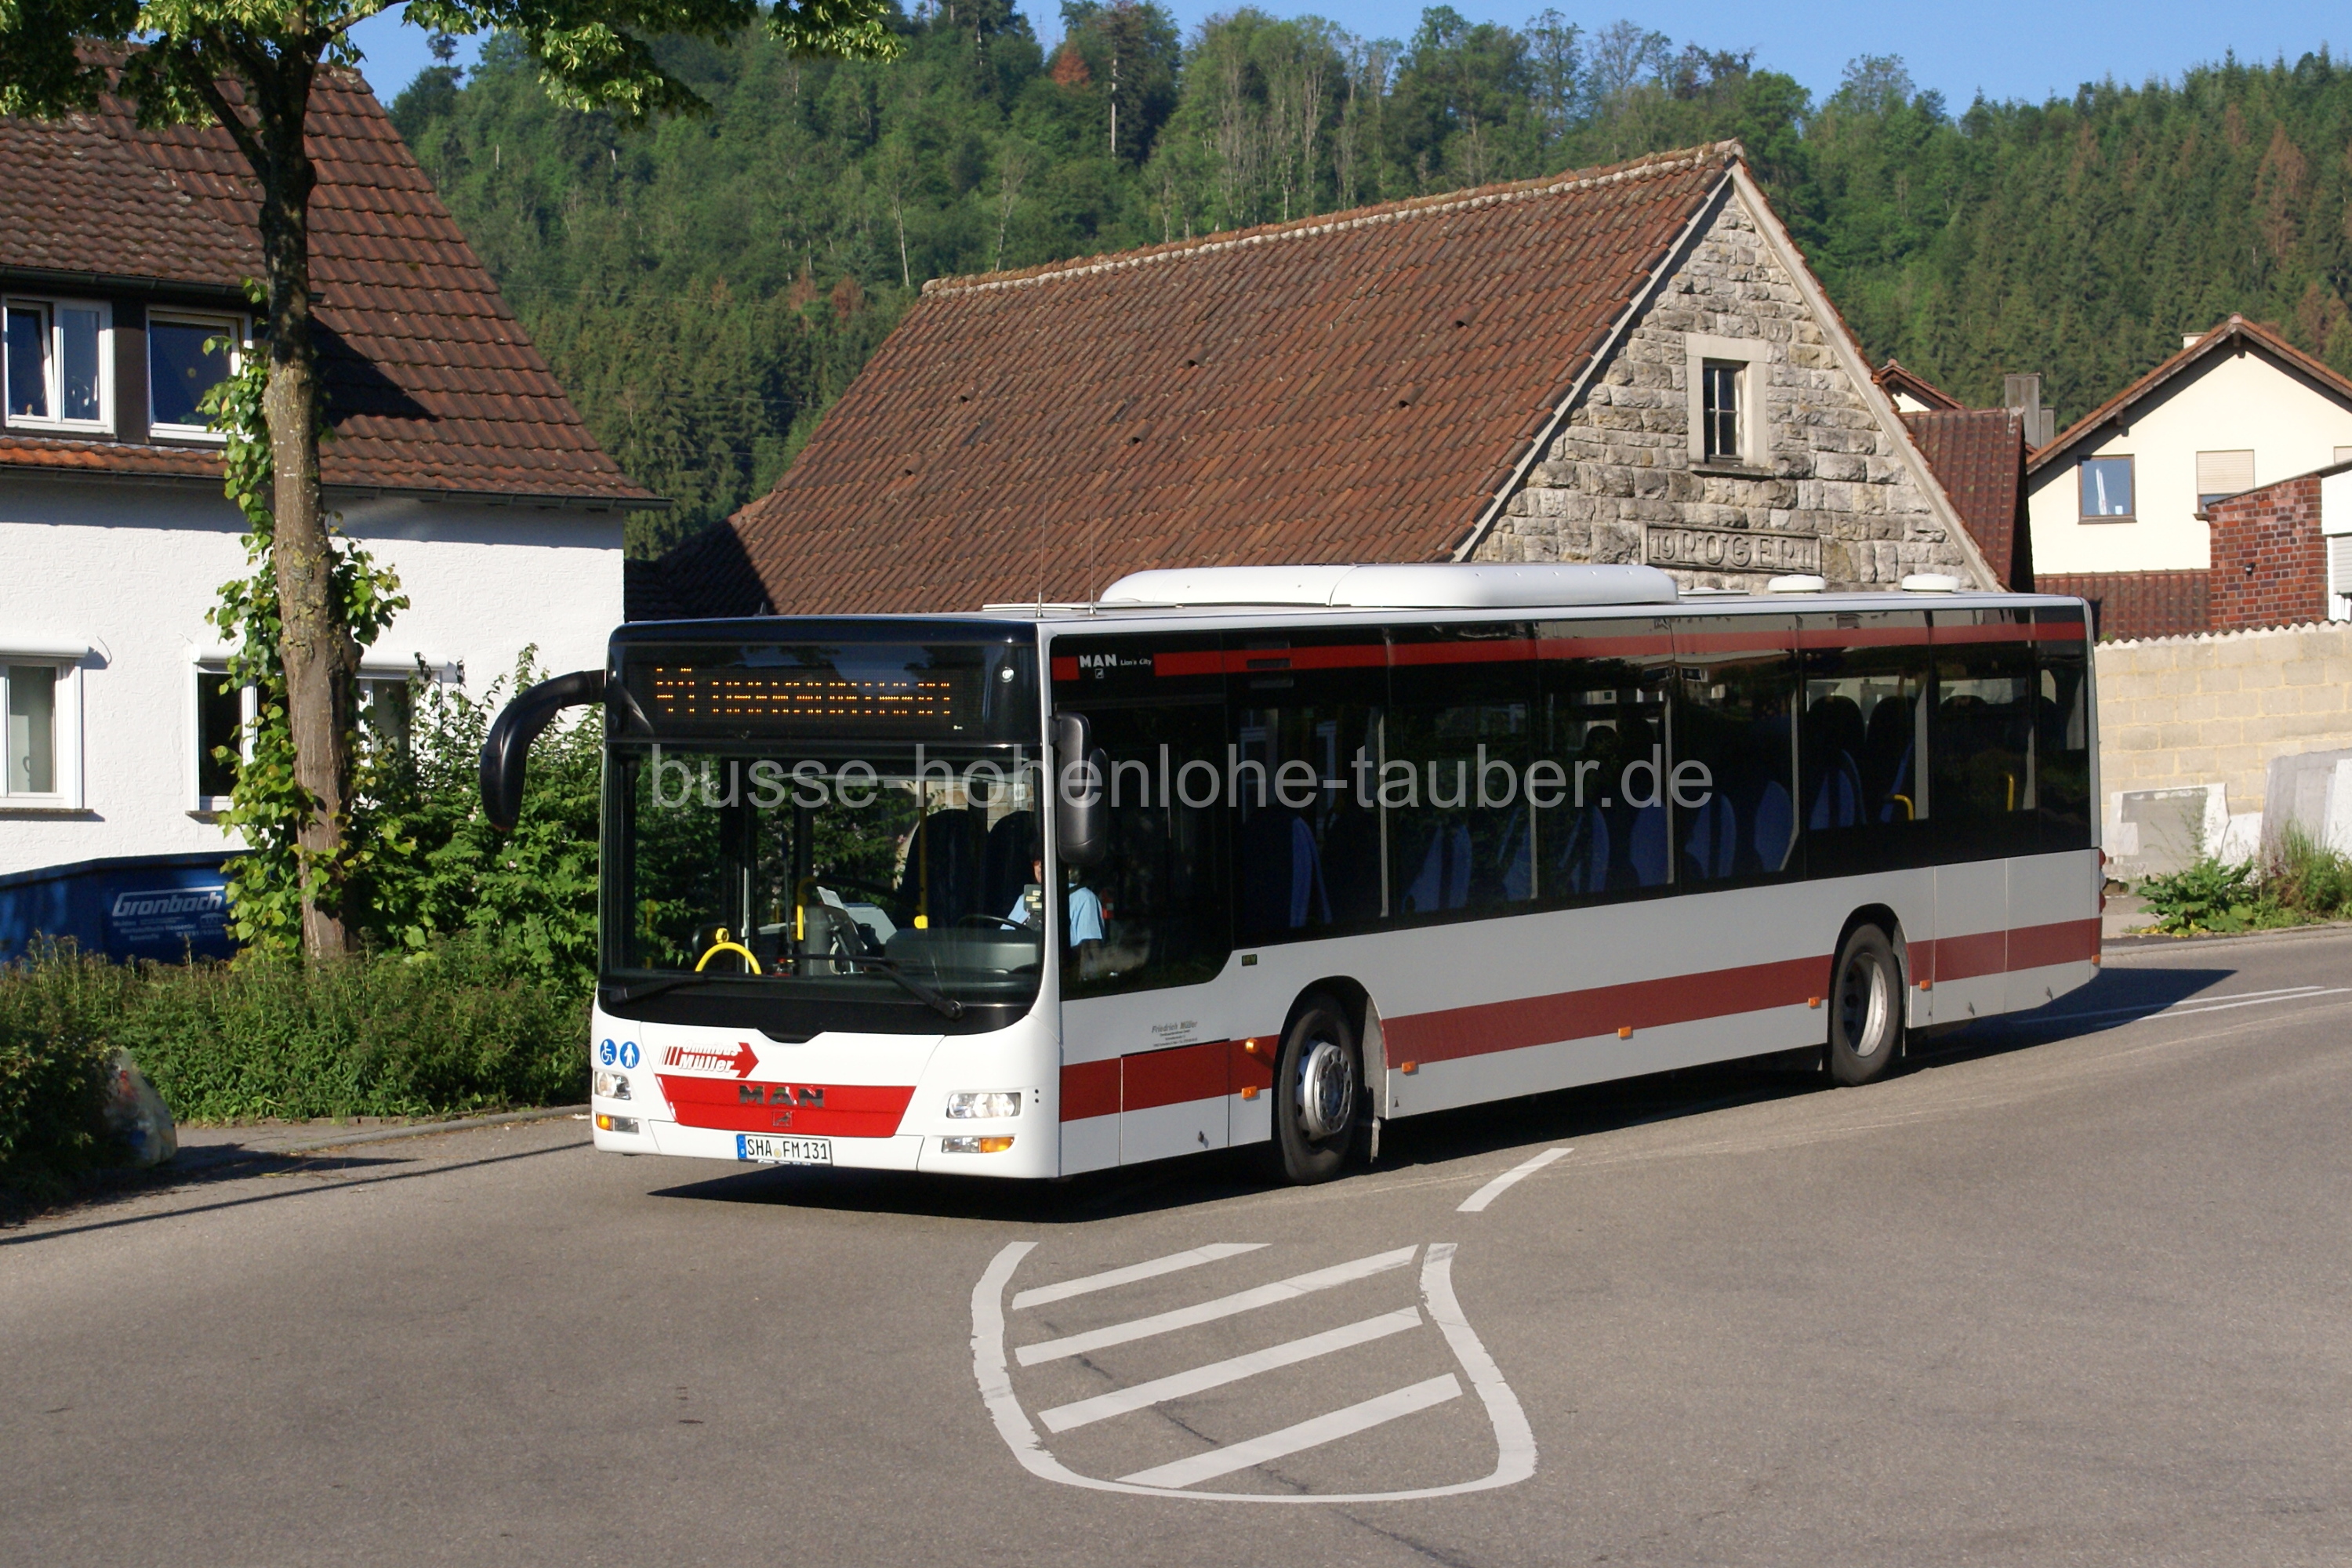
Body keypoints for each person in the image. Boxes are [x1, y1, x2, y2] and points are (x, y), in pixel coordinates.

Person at [1008, 858, 1104, 947]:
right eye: (1036, 860)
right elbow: (1005, 937)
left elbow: (1090, 951)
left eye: (1047, 858)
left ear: (1069, 867)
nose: (1040, 864)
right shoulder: (1024, 899)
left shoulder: (1084, 899)